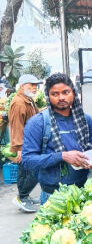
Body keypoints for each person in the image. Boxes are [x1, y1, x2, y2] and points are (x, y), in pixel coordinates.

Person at [22, 73, 92, 204]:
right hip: (52, 196)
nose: (61, 97)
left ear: (73, 93)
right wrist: (62, 156)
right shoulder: (38, 123)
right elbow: (28, 160)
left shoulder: (85, 119)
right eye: (55, 94)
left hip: (82, 190)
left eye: (65, 92)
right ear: (48, 96)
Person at [9, 74, 42, 212]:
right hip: (25, 145)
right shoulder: (18, 103)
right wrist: (20, 149)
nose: (35, 88)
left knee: (29, 171)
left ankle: (25, 196)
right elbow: (17, 126)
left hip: (32, 143)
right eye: (31, 85)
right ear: (22, 86)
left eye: (36, 85)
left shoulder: (28, 100)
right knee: (30, 172)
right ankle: (21, 197)